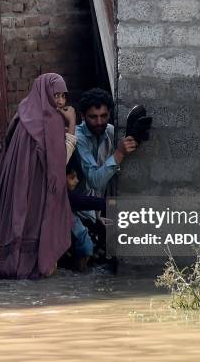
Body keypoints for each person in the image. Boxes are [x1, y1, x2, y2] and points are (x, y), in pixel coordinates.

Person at [0, 73, 77, 279]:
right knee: (34, 223)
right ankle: (34, 264)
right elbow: (59, 162)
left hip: (15, 183)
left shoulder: (23, 111)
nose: (59, 101)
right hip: (37, 186)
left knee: (16, 220)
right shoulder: (52, 120)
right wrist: (72, 124)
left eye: (63, 96)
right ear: (45, 92)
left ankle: (8, 262)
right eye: (55, 95)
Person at [72, 88, 138, 266]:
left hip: (95, 212)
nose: (99, 122)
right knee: (84, 252)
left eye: (104, 116)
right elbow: (94, 179)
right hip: (73, 209)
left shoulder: (111, 132)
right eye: (93, 117)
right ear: (83, 116)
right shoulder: (78, 138)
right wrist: (119, 154)